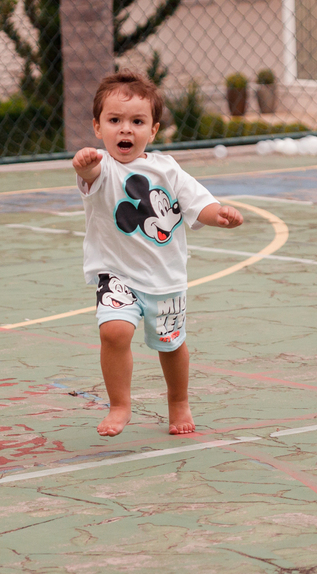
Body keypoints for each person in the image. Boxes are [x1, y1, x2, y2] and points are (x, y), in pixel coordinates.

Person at [72, 71, 244, 437]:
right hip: (116, 275)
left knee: (172, 345)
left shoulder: (168, 170)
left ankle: (178, 400)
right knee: (114, 332)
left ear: (153, 130)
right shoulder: (103, 169)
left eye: (137, 122)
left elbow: (200, 205)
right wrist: (84, 164)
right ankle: (119, 404)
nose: (125, 130)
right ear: (97, 126)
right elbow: (88, 175)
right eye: (114, 121)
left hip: (165, 279)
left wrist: (220, 216)